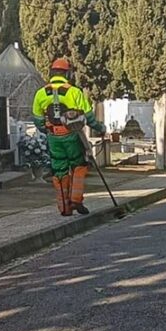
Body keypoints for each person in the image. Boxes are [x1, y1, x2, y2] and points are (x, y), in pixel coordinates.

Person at [32, 58, 106, 216]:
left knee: (59, 170)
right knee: (79, 165)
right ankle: (76, 199)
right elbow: (89, 117)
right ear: (67, 74)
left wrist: (48, 131)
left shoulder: (40, 94)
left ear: (51, 73)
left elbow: (38, 120)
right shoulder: (74, 92)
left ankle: (64, 207)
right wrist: (100, 128)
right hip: (72, 135)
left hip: (53, 137)